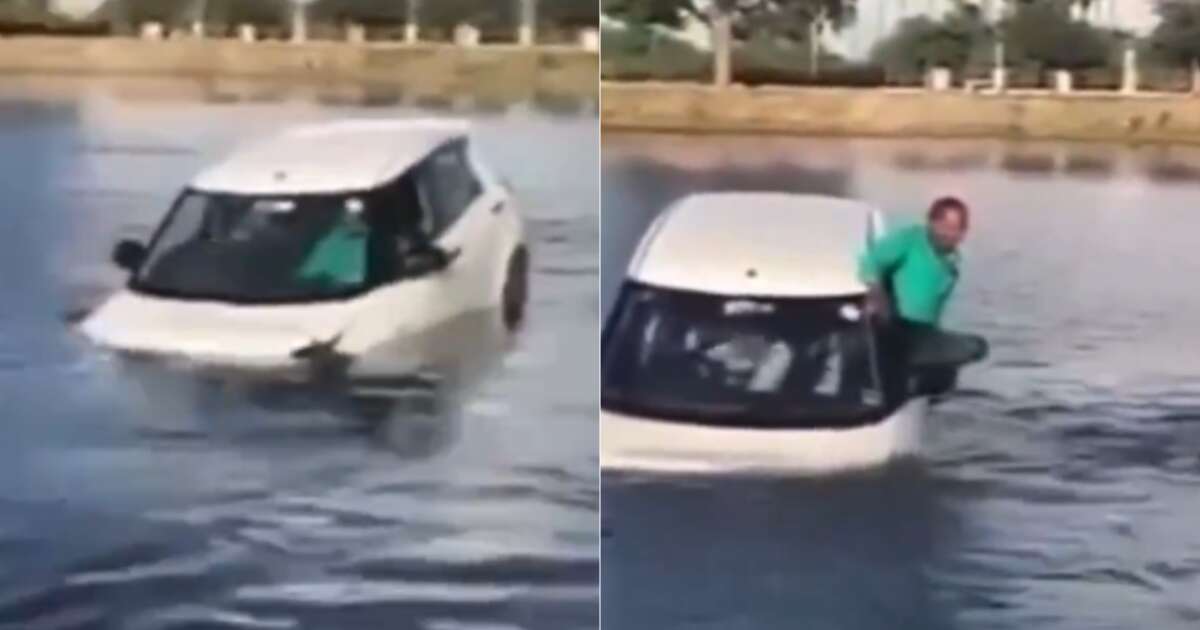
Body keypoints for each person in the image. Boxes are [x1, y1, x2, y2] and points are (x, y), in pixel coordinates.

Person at [859, 196, 985, 395]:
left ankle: (921, 381)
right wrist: (876, 293)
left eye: (957, 229)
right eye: (945, 227)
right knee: (974, 346)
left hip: (925, 332)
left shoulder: (952, 260)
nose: (950, 235)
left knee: (974, 350)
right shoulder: (910, 239)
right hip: (897, 326)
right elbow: (871, 261)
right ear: (932, 223)